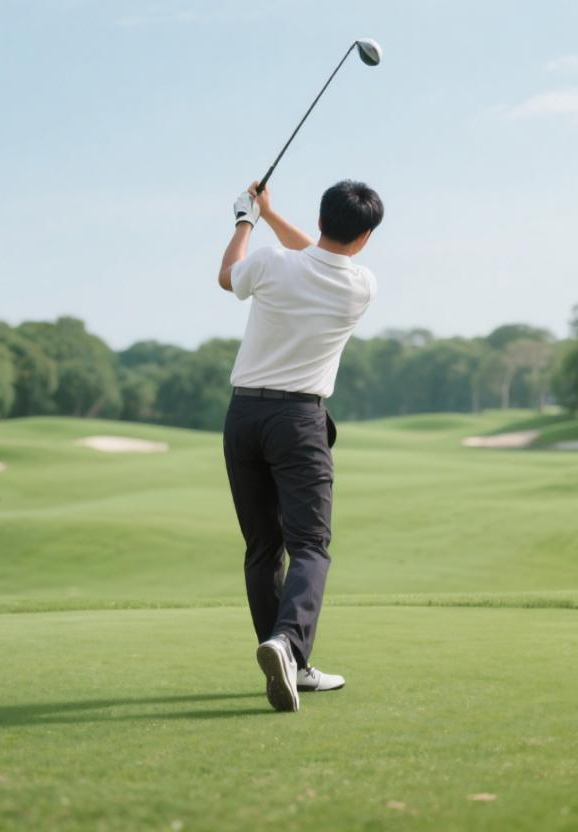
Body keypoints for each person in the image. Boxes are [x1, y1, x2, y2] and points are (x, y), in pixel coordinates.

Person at [218, 179, 383, 712]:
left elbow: (228, 278)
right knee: (310, 544)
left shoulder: (270, 263)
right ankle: (289, 647)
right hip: (299, 421)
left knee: (264, 546)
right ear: (364, 239)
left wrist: (248, 219)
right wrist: (267, 214)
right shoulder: (361, 285)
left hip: (243, 414)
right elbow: (315, 255)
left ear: (321, 218)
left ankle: (289, 663)